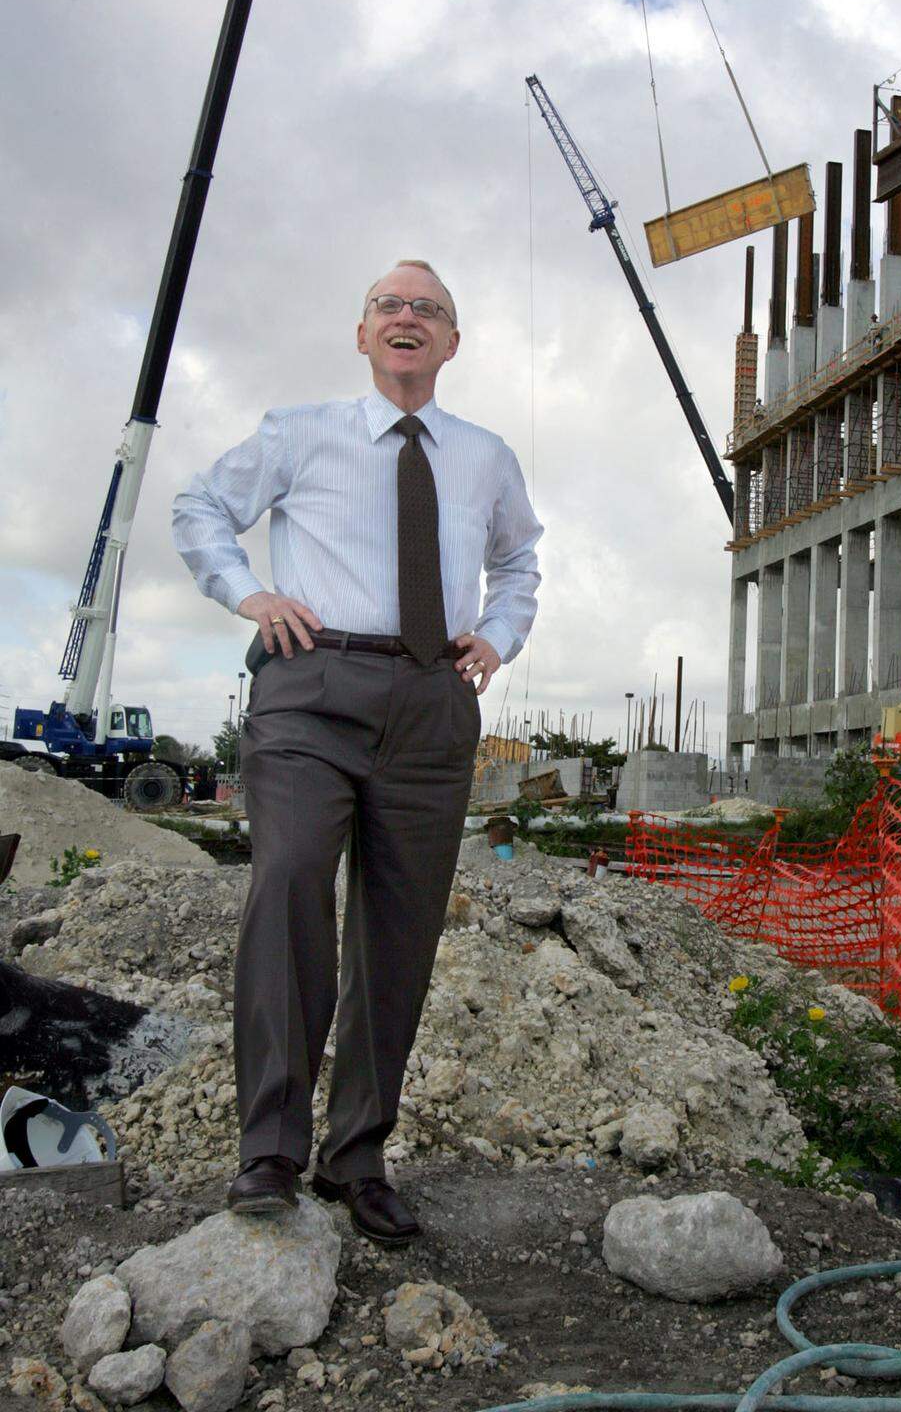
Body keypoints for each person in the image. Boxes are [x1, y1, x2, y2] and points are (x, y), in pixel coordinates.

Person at [172, 259, 541, 1243]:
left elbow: (520, 560)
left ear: (452, 343)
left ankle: (357, 1154)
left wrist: (498, 636)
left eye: (429, 309)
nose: (408, 317)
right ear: (363, 333)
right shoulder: (301, 433)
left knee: (399, 930)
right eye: (390, 305)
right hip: (310, 686)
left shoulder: (485, 456)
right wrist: (247, 592)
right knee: (290, 876)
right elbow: (198, 507)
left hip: (433, 702)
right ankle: (269, 1149)